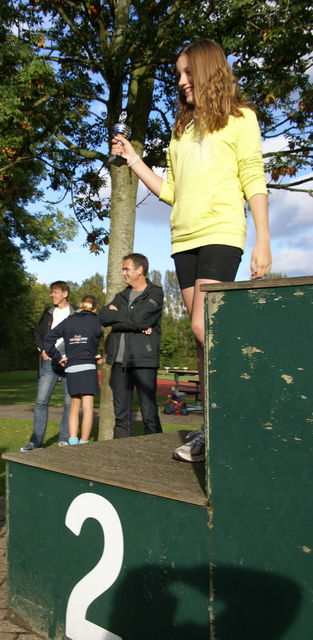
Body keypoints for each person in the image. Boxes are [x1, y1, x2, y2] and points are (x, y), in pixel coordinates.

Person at [111, 39, 272, 462]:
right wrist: (133, 160)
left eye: (187, 73)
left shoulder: (241, 118)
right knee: (201, 343)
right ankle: (211, 431)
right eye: (178, 75)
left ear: (208, 71)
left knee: (204, 327)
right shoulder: (181, 129)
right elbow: (172, 190)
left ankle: (247, 406)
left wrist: (264, 239)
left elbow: (253, 177)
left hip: (222, 231)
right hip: (184, 240)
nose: (181, 82)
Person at [99, 253, 163, 439]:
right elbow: (104, 317)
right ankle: (122, 458)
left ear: (140, 270)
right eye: (123, 269)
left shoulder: (155, 293)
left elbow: (139, 320)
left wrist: (119, 317)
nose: (123, 273)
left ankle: (156, 455)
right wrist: (133, 321)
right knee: (121, 417)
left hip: (144, 361)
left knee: (149, 414)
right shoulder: (121, 295)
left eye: (126, 269)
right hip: (119, 363)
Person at [20, 281, 77, 451]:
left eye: (55, 292)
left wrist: (73, 355)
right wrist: (42, 351)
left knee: (69, 403)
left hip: (70, 362)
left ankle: (64, 439)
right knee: (41, 402)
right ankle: (36, 442)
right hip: (50, 361)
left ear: (65, 294)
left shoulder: (76, 313)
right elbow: (37, 333)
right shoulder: (48, 313)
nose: (52, 295)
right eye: (51, 292)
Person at [44, 295, 103, 445]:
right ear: (94, 308)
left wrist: (58, 357)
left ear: (80, 305)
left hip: (72, 368)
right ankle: (84, 441)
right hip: (89, 367)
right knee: (88, 408)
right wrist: (101, 354)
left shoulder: (68, 321)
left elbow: (48, 340)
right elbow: (112, 338)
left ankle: (72, 439)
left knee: (74, 406)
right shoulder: (97, 320)